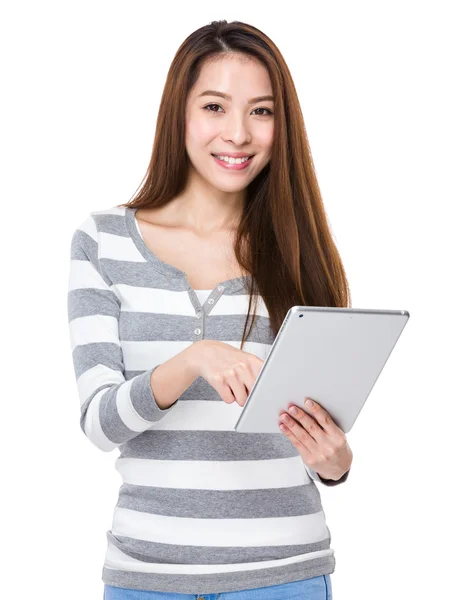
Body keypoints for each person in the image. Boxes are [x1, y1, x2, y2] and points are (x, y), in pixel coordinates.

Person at [67, 19, 353, 600]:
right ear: (181, 114)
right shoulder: (104, 241)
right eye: (216, 107)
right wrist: (193, 359)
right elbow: (100, 423)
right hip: (148, 576)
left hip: (284, 573)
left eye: (262, 111)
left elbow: (322, 432)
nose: (239, 134)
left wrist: (336, 461)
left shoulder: (301, 247)